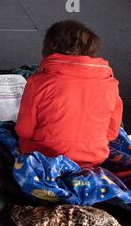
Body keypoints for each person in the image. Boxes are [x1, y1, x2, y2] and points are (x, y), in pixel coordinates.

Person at [15, 20, 123, 167]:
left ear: (51, 46)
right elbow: (111, 133)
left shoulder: (38, 82)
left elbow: (24, 131)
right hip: (94, 158)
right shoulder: (110, 84)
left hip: (45, 157)